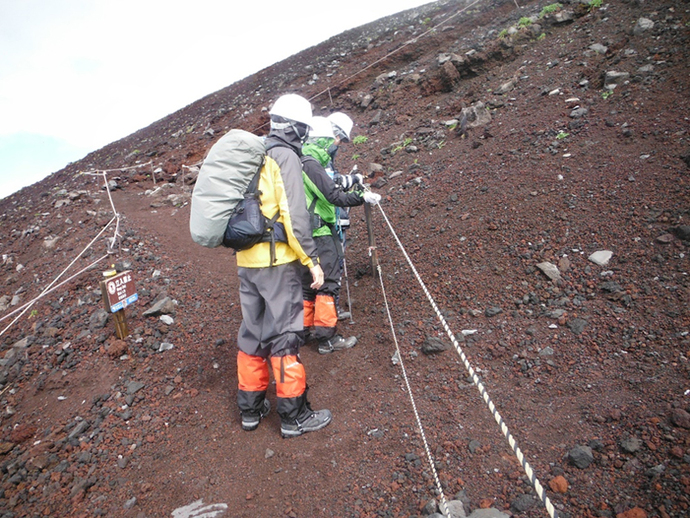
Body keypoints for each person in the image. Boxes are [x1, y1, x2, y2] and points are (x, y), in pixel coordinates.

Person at [235, 93, 331, 438]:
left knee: (252, 333)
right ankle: (294, 417)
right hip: (277, 263)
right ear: (297, 128)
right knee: (285, 336)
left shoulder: (254, 153)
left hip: (246, 260)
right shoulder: (284, 156)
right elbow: (294, 215)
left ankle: (250, 409)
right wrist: (312, 261)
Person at [300, 116, 381, 355]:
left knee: (307, 284)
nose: (336, 143)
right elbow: (332, 195)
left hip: (305, 232)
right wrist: (360, 197)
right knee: (328, 283)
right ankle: (326, 339)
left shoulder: (297, 160)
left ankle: (302, 331)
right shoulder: (311, 163)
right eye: (334, 139)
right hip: (321, 231)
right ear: (324, 139)